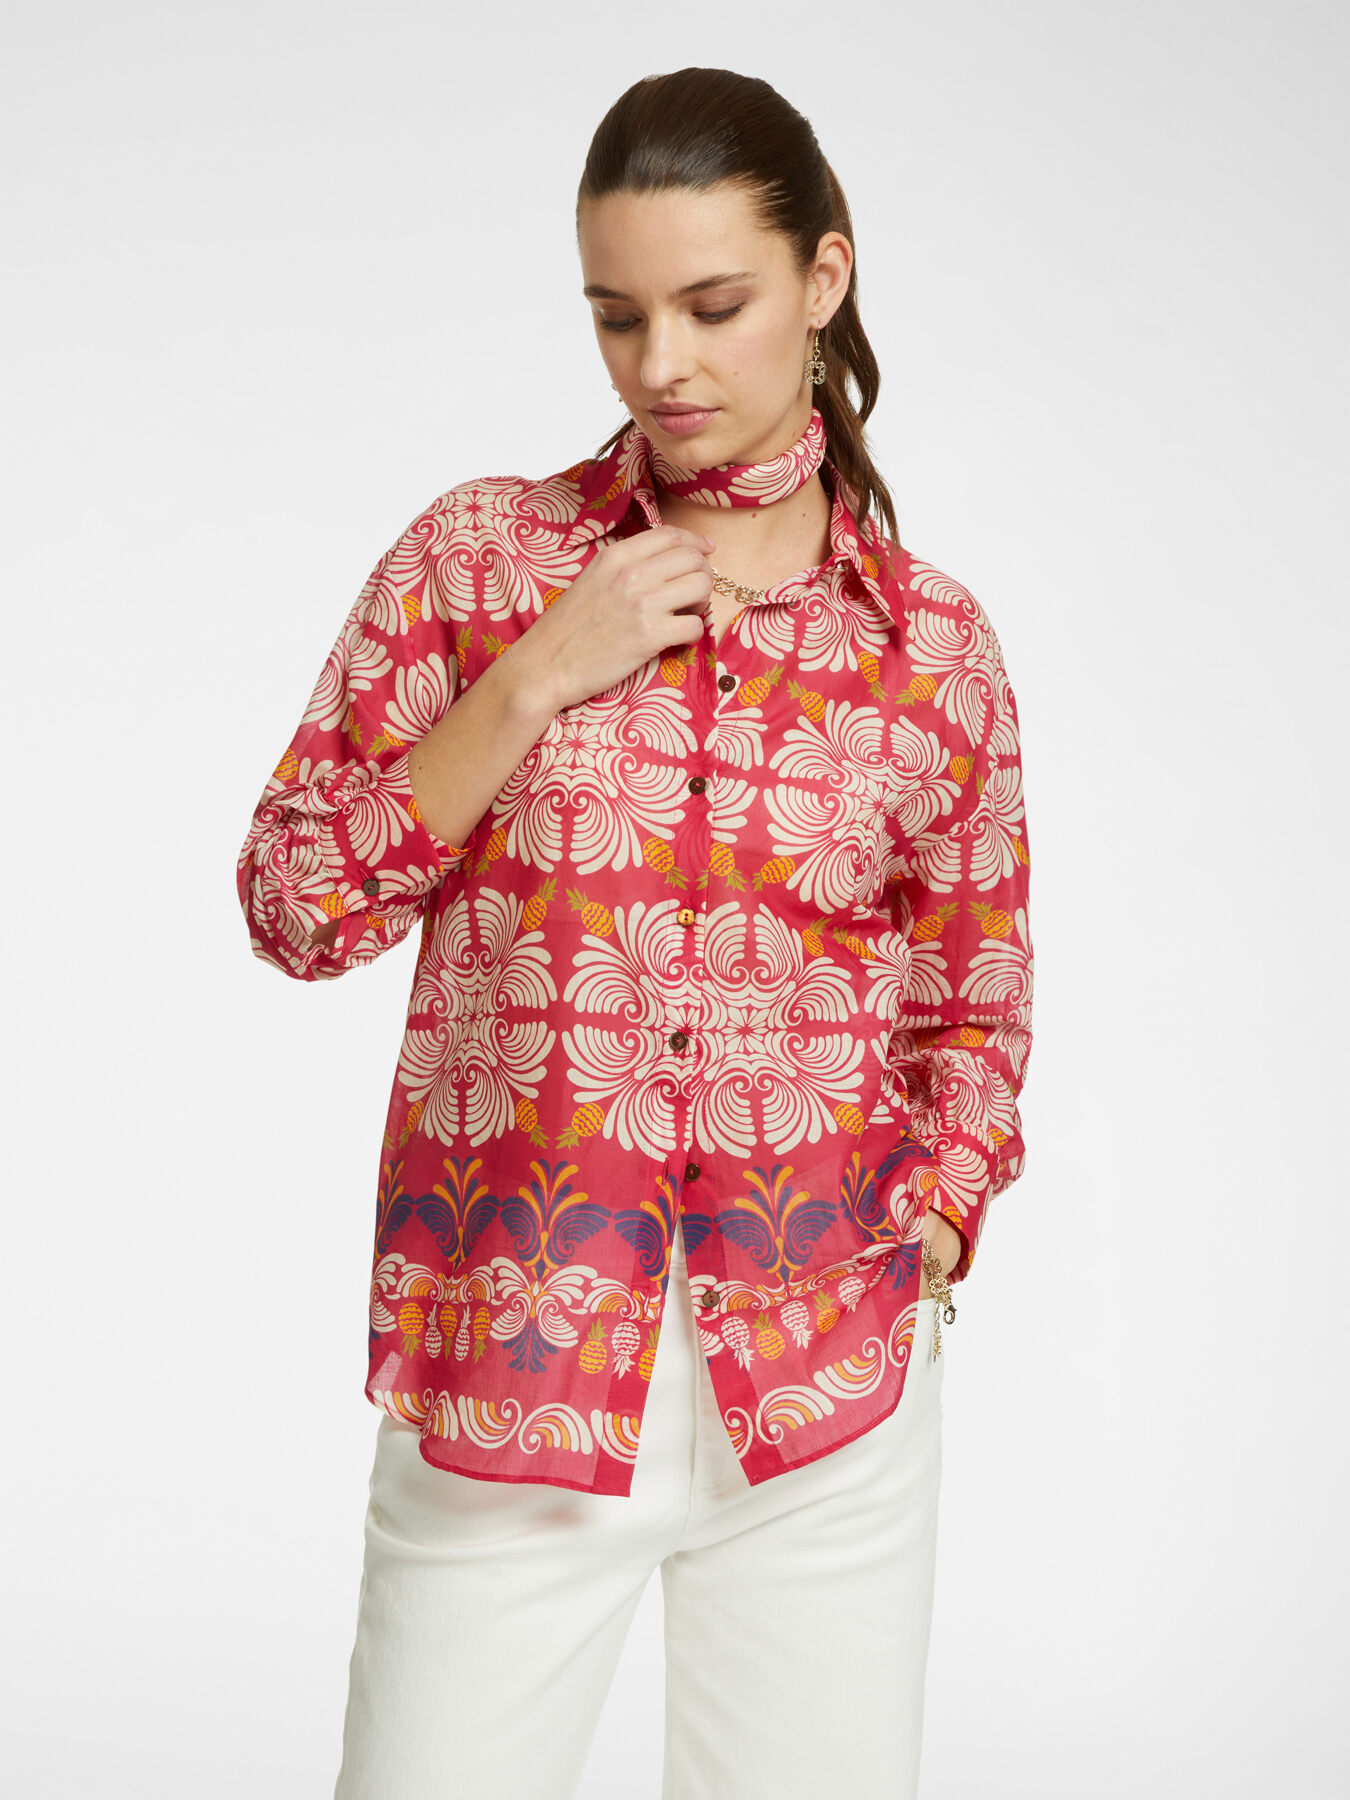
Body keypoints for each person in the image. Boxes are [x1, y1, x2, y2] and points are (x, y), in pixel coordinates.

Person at [236, 64, 1033, 1800]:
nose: (660, 364)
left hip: (822, 1384)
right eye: (616, 316)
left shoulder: (929, 648)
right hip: (515, 1362)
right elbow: (296, 903)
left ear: (822, 280)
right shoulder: (482, 562)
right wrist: (534, 676)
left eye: (711, 306)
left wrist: (935, 1229)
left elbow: (972, 999)